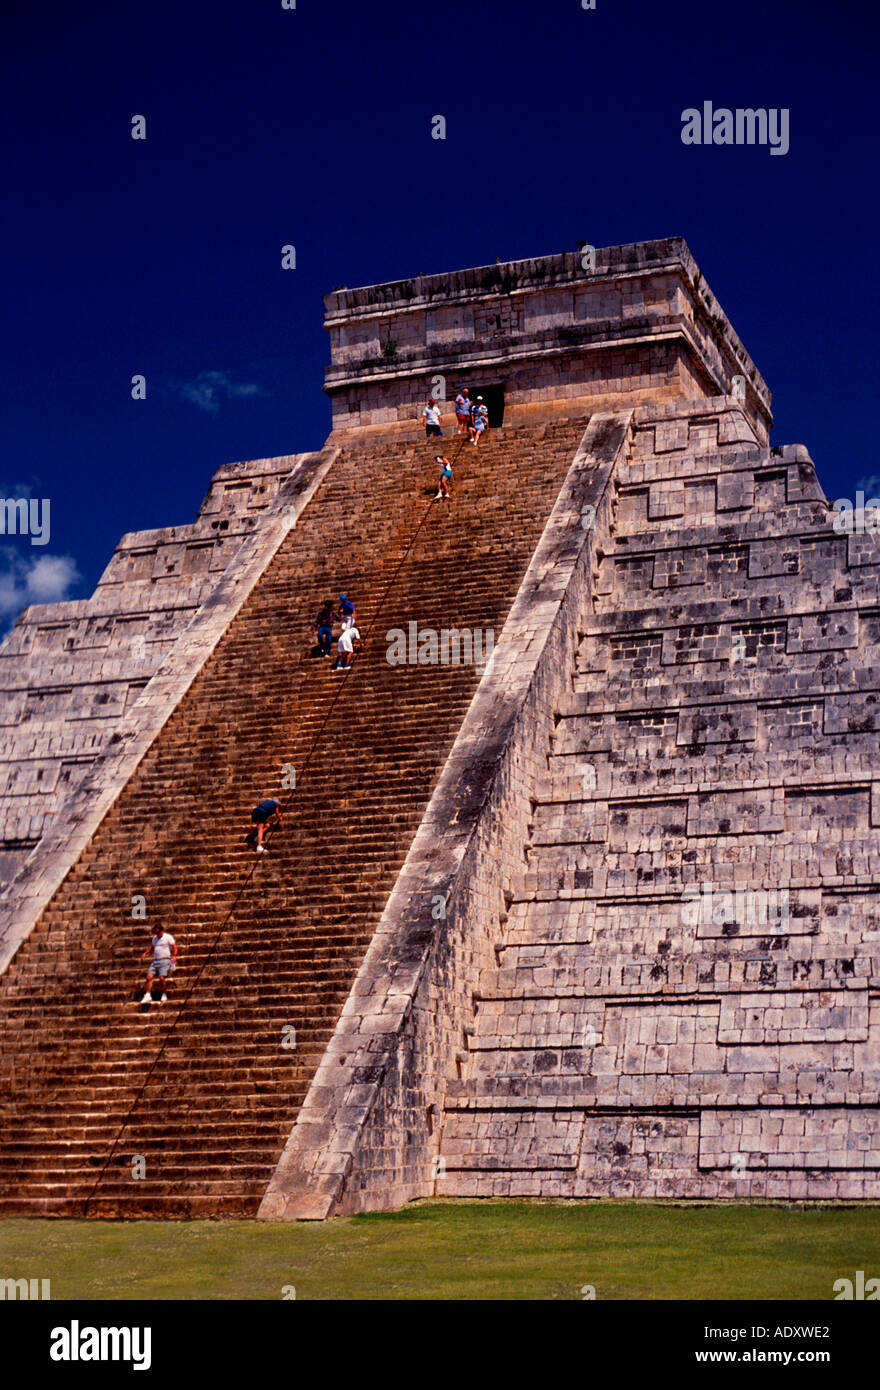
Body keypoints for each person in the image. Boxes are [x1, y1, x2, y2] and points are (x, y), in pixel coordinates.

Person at [140, 924, 177, 1005]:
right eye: (155, 933)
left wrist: (174, 956)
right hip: (156, 961)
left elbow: (174, 947)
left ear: (161, 930)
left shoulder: (168, 937)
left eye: (158, 932)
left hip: (165, 960)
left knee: (161, 977)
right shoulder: (155, 938)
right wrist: (145, 953)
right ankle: (147, 995)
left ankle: (164, 994)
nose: (157, 934)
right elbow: (152, 948)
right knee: (149, 977)